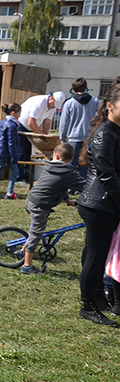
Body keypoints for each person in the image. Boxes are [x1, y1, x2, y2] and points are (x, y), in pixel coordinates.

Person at [76, 82, 120, 326]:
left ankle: (96, 298)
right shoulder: (106, 134)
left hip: (106, 204)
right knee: (95, 257)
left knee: (96, 256)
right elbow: (107, 177)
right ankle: (87, 305)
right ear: (110, 106)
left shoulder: (115, 131)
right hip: (99, 205)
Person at [21, 142, 85, 276]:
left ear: (56, 155)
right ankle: (27, 265)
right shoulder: (68, 172)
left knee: (35, 228)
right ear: (71, 159)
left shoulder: (50, 166)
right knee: (36, 232)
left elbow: (59, 186)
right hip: (40, 204)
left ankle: (24, 249)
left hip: (32, 199)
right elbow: (84, 186)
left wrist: (67, 200)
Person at [58, 78, 98, 180]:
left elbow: (64, 122)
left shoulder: (69, 103)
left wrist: (62, 137)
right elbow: (102, 115)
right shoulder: (94, 101)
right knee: (85, 164)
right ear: (86, 88)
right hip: (88, 137)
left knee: (71, 163)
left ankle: (71, 186)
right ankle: (83, 185)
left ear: (73, 89)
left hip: (74, 137)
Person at [18, 91, 66, 175]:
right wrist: (41, 135)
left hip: (31, 129)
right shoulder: (40, 102)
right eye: (54, 104)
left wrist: (46, 136)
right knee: (21, 152)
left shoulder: (52, 107)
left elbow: (47, 122)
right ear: (51, 98)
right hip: (20, 126)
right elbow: (31, 122)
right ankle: (19, 177)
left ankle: (25, 177)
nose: (54, 107)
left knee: (27, 153)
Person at [0, 102, 24, 199]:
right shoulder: (12, 125)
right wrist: (14, 156)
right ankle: (9, 193)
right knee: (15, 171)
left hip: (1, 151)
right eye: (19, 113)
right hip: (8, 152)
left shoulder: (1, 122)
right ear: (13, 113)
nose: (20, 115)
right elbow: (11, 142)